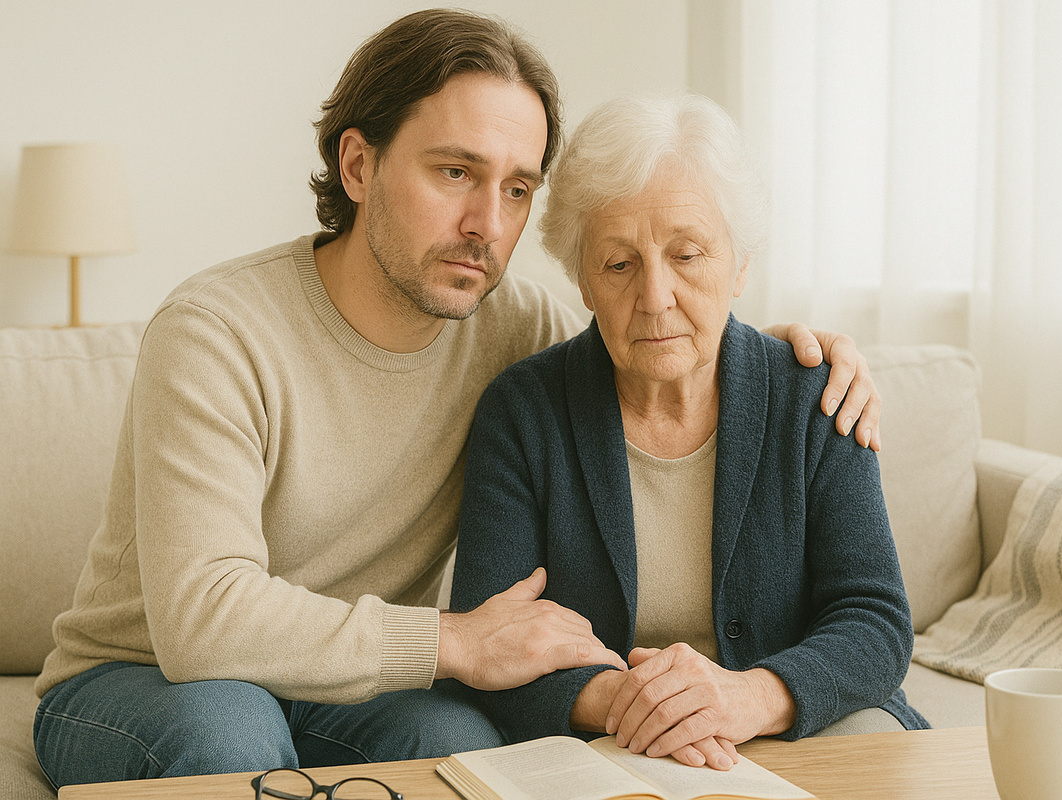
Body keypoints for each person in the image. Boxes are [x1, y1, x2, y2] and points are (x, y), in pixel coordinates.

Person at [32, 9, 882, 788]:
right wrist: (456, 641)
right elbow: (201, 620)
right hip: (150, 675)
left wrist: (795, 353)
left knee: (473, 750)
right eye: (455, 172)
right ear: (358, 164)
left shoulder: (509, 324)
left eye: (516, 189)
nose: (487, 222)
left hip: (356, 688)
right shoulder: (215, 331)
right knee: (232, 738)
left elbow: (647, 319)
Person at [450, 92, 927, 772]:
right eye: (619, 264)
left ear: (739, 266)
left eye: (688, 255)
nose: (655, 296)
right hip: (604, 739)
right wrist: (636, 702)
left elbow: (876, 622)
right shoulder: (523, 413)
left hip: (789, 726)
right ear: (582, 280)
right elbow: (490, 639)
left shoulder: (816, 395)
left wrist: (749, 697)